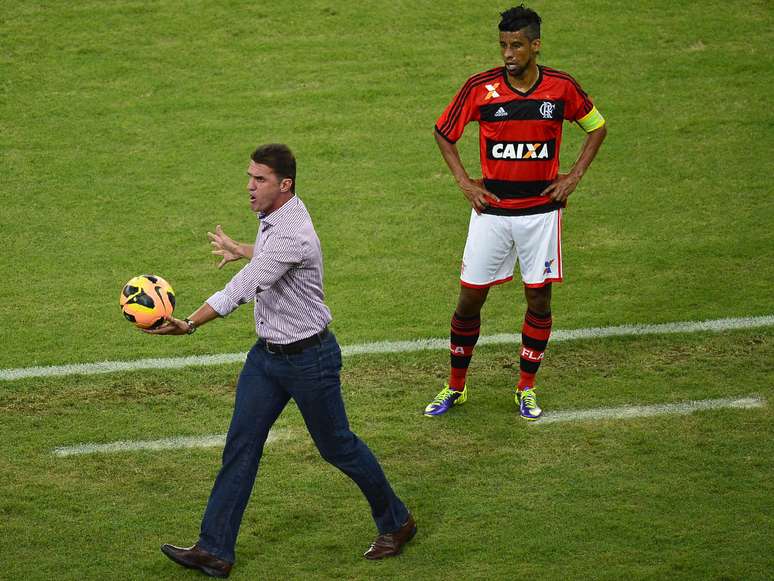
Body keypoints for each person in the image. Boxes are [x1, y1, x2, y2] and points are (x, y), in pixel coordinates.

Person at [148, 144, 415, 578]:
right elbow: (270, 258)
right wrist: (245, 247)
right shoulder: (279, 215)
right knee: (241, 445)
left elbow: (245, 286)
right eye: (250, 177)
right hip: (267, 358)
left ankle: (397, 522)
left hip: (310, 360)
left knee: (338, 447)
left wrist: (190, 324)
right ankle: (214, 548)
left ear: (284, 184)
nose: (249, 187)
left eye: (259, 180)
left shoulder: (293, 232)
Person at [424, 5, 607, 420]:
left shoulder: (561, 88)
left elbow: (597, 126)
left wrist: (573, 177)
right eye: (504, 45)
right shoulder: (480, 88)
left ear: (535, 46)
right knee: (470, 299)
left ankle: (526, 387)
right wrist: (465, 183)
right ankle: (456, 386)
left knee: (538, 299)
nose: (508, 53)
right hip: (492, 213)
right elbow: (443, 132)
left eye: (517, 45)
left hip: (541, 213)